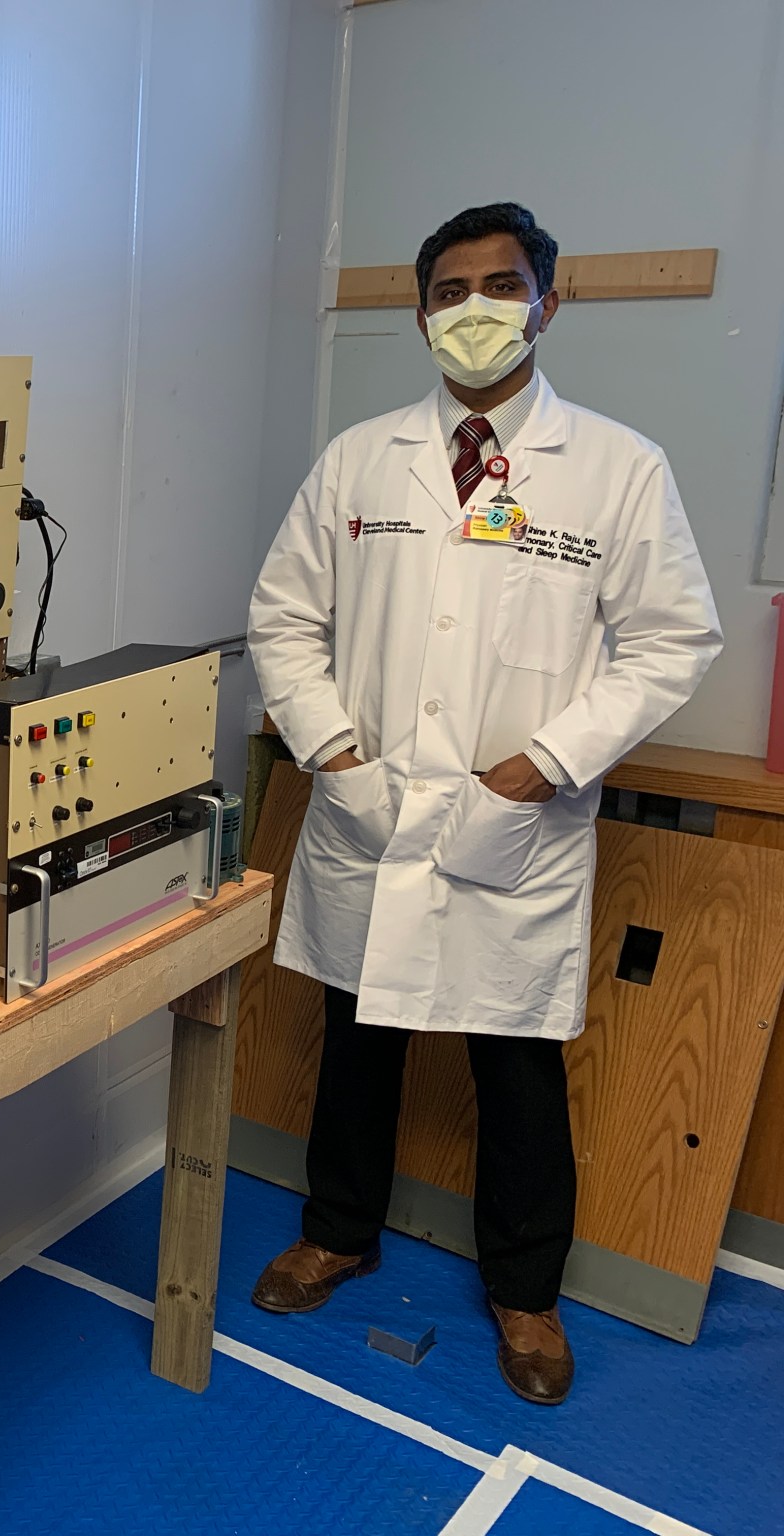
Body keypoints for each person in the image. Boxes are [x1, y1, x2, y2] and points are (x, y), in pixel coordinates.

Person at [246, 203, 722, 1406]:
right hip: (368, 813)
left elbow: (671, 641)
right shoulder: (360, 461)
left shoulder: (616, 468)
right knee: (355, 1043)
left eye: (497, 286)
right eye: (448, 289)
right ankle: (334, 1232)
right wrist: (334, 752)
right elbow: (281, 620)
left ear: (545, 302)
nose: (471, 310)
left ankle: (524, 1296)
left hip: (517, 828)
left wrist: (546, 761)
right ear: (418, 312)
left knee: (515, 1073)